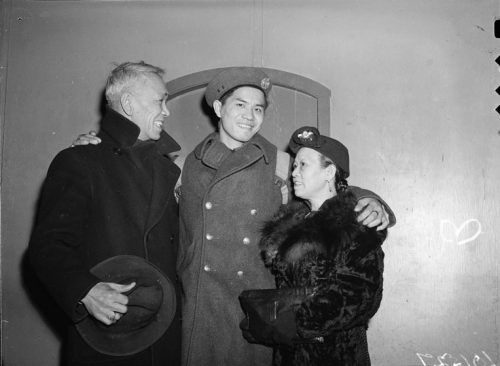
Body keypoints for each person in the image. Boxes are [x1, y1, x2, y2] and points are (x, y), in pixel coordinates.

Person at [176, 67, 395, 366]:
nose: (249, 116)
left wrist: (369, 199)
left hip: (257, 306)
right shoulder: (186, 165)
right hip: (203, 306)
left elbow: (324, 191)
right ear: (218, 108)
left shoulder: (279, 162)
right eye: (240, 105)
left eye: (258, 109)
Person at [29, 61, 182, 366]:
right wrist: (84, 290)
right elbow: (48, 247)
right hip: (108, 341)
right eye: (159, 100)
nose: (166, 110)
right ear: (128, 103)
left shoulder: (166, 167)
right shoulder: (79, 160)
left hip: (163, 338)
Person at [241, 126, 387, 365]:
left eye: (303, 165)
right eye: (294, 166)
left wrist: (292, 323)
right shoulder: (295, 223)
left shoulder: (356, 224)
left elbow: (360, 297)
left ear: (329, 172)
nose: (294, 173)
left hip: (335, 354)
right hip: (288, 355)